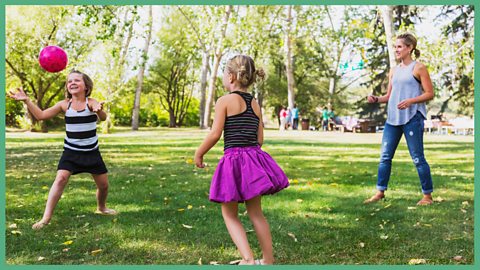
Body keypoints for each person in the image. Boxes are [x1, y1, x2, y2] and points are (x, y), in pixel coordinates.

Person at [194, 55, 289, 265]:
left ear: (230, 76)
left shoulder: (224, 101)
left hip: (233, 161)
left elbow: (214, 134)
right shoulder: (254, 103)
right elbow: (260, 138)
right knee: (256, 213)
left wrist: (199, 153)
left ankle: (248, 259)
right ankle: (268, 260)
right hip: (254, 160)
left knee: (229, 213)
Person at [8, 70, 117, 230]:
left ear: (86, 86)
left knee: (104, 186)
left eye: (77, 80)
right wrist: (27, 101)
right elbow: (41, 115)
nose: (72, 83)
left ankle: (101, 207)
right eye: (69, 81)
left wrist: (98, 108)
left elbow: (103, 117)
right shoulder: (64, 104)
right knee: (60, 179)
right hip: (71, 152)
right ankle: (45, 218)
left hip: (91, 152)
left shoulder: (91, 102)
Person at [364, 33, 434, 205]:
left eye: (400, 46)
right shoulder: (393, 70)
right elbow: (389, 96)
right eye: (395, 47)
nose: (396, 49)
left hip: (412, 118)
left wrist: (411, 101)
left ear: (409, 48)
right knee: (385, 157)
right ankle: (380, 192)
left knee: (417, 157)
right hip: (393, 120)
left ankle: (427, 196)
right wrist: (376, 99)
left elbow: (430, 93)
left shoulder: (419, 68)